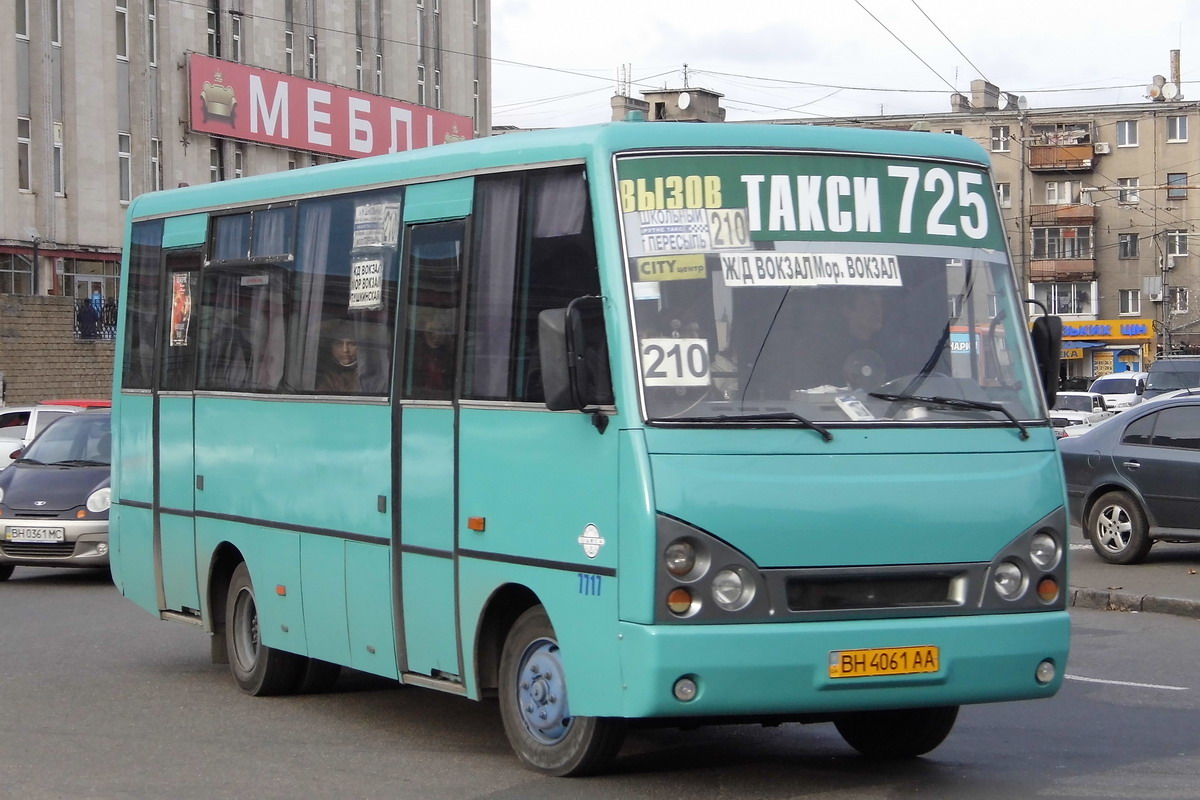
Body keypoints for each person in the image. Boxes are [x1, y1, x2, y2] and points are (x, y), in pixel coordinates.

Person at [317, 321, 360, 393]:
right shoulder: (325, 376)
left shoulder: (370, 374)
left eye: (351, 344)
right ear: (331, 348)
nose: (345, 350)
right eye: (339, 344)